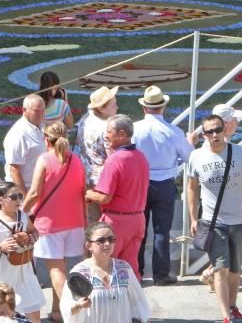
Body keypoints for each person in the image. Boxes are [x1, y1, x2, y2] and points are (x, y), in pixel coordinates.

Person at [187, 114, 242, 323]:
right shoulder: (196, 156)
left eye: (218, 129)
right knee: (220, 268)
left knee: (235, 269)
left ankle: (233, 307)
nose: (215, 135)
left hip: (238, 220)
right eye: (210, 131)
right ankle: (226, 315)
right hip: (212, 221)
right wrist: (193, 218)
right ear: (204, 134)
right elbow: (192, 187)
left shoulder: (240, 152)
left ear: (225, 129)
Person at [24, 121, 86, 322]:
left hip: (50, 223)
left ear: (45, 139)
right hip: (75, 221)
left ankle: (70, 311)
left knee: (56, 270)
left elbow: (34, 192)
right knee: (63, 268)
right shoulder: (76, 159)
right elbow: (82, 191)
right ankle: (58, 311)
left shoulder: (45, 159)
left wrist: (22, 212)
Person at [133, 85, 194, 285]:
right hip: (165, 184)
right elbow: (189, 157)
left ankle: (137, 273)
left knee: (139, 231)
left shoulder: (134, 129)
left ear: (144, 108)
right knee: (162, 231)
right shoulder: (174, 132)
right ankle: (161, 275)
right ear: (163, 107)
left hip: (140, 184)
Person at [85, 114, 149, 279]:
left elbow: (105, 197)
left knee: (106, 269)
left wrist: (87, 193)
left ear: (121, 134)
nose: (106, 135)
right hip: (138, 220)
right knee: (130, 269)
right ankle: (131, 302)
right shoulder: (141, 157)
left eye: (109, 131)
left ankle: (110, 303)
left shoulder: (115, 160)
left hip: (117, 222)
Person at [0, 183, 45, 323]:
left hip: (24, 272)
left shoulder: (22, 215)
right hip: (2, 273)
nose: (18, 200)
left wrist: (31, 238)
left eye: (20, 196)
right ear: (1, 200)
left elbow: (34, 231)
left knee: (34, 313)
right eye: (13, 197)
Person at [60, 221, 152, 323]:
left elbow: (140, 305)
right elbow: (66, 308)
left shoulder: (124, 268)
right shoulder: (80, 272)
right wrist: (78, 305)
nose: (107, 243)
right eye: (101, 240)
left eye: (110, 239)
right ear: (89, 245)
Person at [77, 86, 118, 223]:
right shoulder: (107, 127)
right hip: (104, 182)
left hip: (86, 177)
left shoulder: (85, 119)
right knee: (107, 223)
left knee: (92, 222)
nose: (117, 107)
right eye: (113, 105)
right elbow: (114, 158)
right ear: (101, 108)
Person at [3, 94, 46, 192]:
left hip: (36, 188)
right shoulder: (19, 133)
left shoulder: (39, 126)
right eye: (36, 111)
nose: (41, 114)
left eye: (43, 110)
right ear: (24, 110)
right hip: (25, 189)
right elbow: (14, 169)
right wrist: (24, 198)